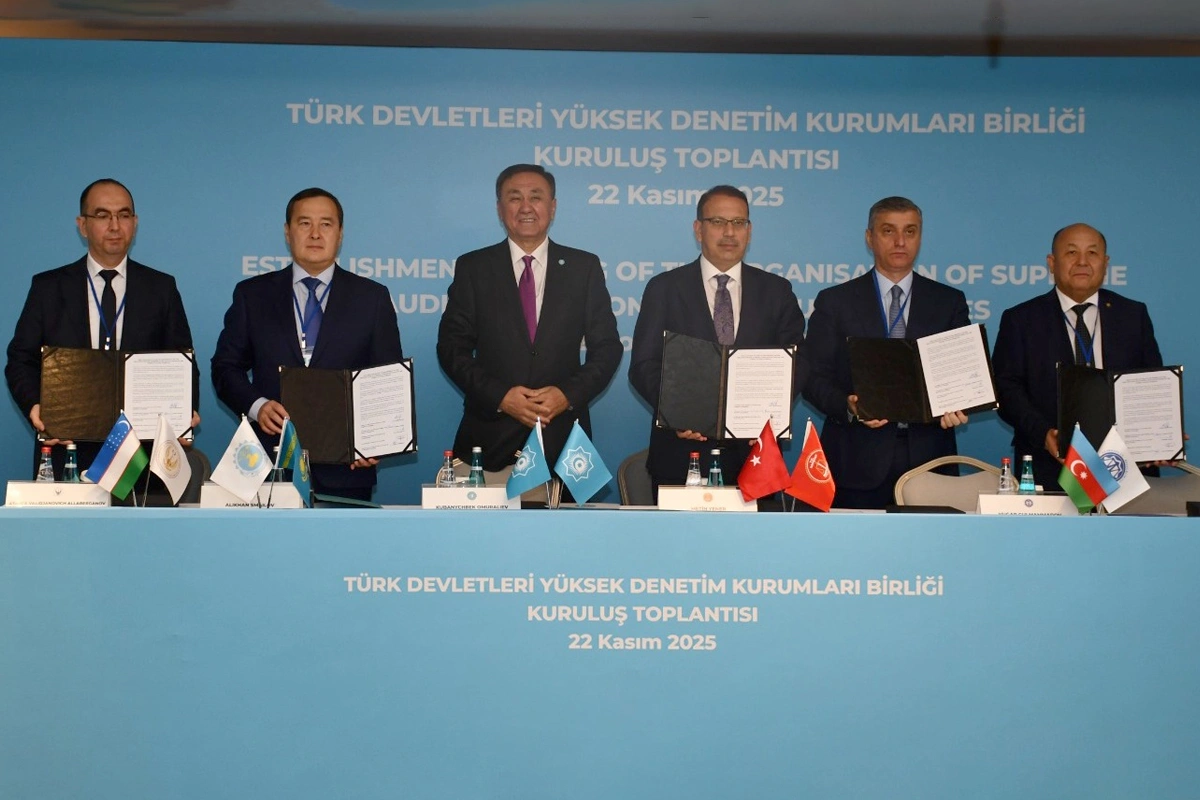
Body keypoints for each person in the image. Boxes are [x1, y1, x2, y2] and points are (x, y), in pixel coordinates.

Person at [211, 187, 403, 501]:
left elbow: (387, 379)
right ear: (288, 232)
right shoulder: (253, 295)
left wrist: (376, 441)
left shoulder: (372, 298)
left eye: (326, 224)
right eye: (304, 223)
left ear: (340, 234)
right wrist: (257, 406)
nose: (315, 234)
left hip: (347, 469)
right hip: (268, 465)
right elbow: (225, 367)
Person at [5, 178, 197, 480]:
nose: (115, 225)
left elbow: (182, 364)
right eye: (102, 215)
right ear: (82, 225)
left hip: (141, 458)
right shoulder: (48, 288)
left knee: (140, 513)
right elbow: (21, 359)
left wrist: (183, 412)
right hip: (66, 448)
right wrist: (35, 407)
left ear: (135, 223)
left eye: (124, 215)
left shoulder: (161, 288)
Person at [437, 164, 621, 477]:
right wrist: (500, 397)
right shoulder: (474, 268)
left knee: (564, 514)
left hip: (563, 438)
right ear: (500, 208)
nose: (526, 207)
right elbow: (451, 348)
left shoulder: (583, 268)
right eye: (514, 198)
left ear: (553, 207)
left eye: (536, 197)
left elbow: (607, 348)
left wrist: (566, 396)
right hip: (490, 437)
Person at [629, 185, 807, 491]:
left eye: (738, 222)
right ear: (698, 229)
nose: (729, 232)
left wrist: (769, 413)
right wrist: (676, 414)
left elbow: (797, 362)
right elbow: (644, 365)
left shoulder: (776, 291)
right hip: (682, 455)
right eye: (718, 222)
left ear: (749, 231)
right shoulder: (665, 288)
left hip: (755, 456)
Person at [802, 196, 970, 509]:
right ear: (870, 237)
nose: (900, 241)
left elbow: (962, 375)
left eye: (910, 231)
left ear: (920, 237)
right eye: (888, 231)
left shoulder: (948, 302)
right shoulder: (835, 302)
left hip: (930, 459)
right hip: (856, 461)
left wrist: (960, 402)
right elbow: (812, 377)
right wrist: (849, 407)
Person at [992, 223, 1163, 488]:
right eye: (1071, 252)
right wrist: (1044, 434)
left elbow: (1152, 385)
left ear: (1105, 263)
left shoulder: (1132, 315)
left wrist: (1161, 434)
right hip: (1050, 466)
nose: (1082, 262)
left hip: (1125, 467)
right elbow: (1005, 389)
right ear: (1052, 263)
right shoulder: (1022, 319)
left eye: (1092, 253)